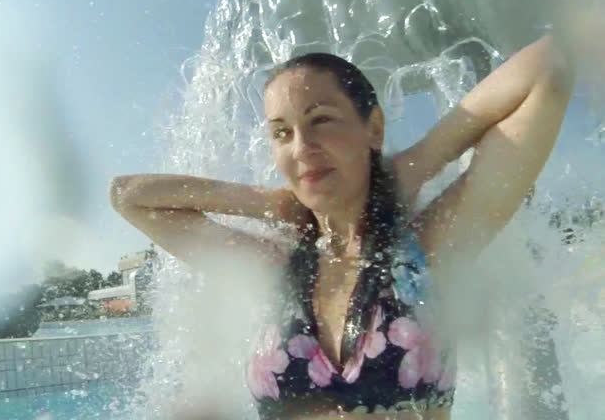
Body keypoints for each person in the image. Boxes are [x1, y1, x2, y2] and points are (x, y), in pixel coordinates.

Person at [110, 30, 576, 419]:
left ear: (373, 128)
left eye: (321, 120)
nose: (301, 147)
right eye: (281, 133)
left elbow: (551, 63)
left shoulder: (426, 249)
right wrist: (267, 202)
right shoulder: (275, 267)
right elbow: (129, 198)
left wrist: (420, 159)